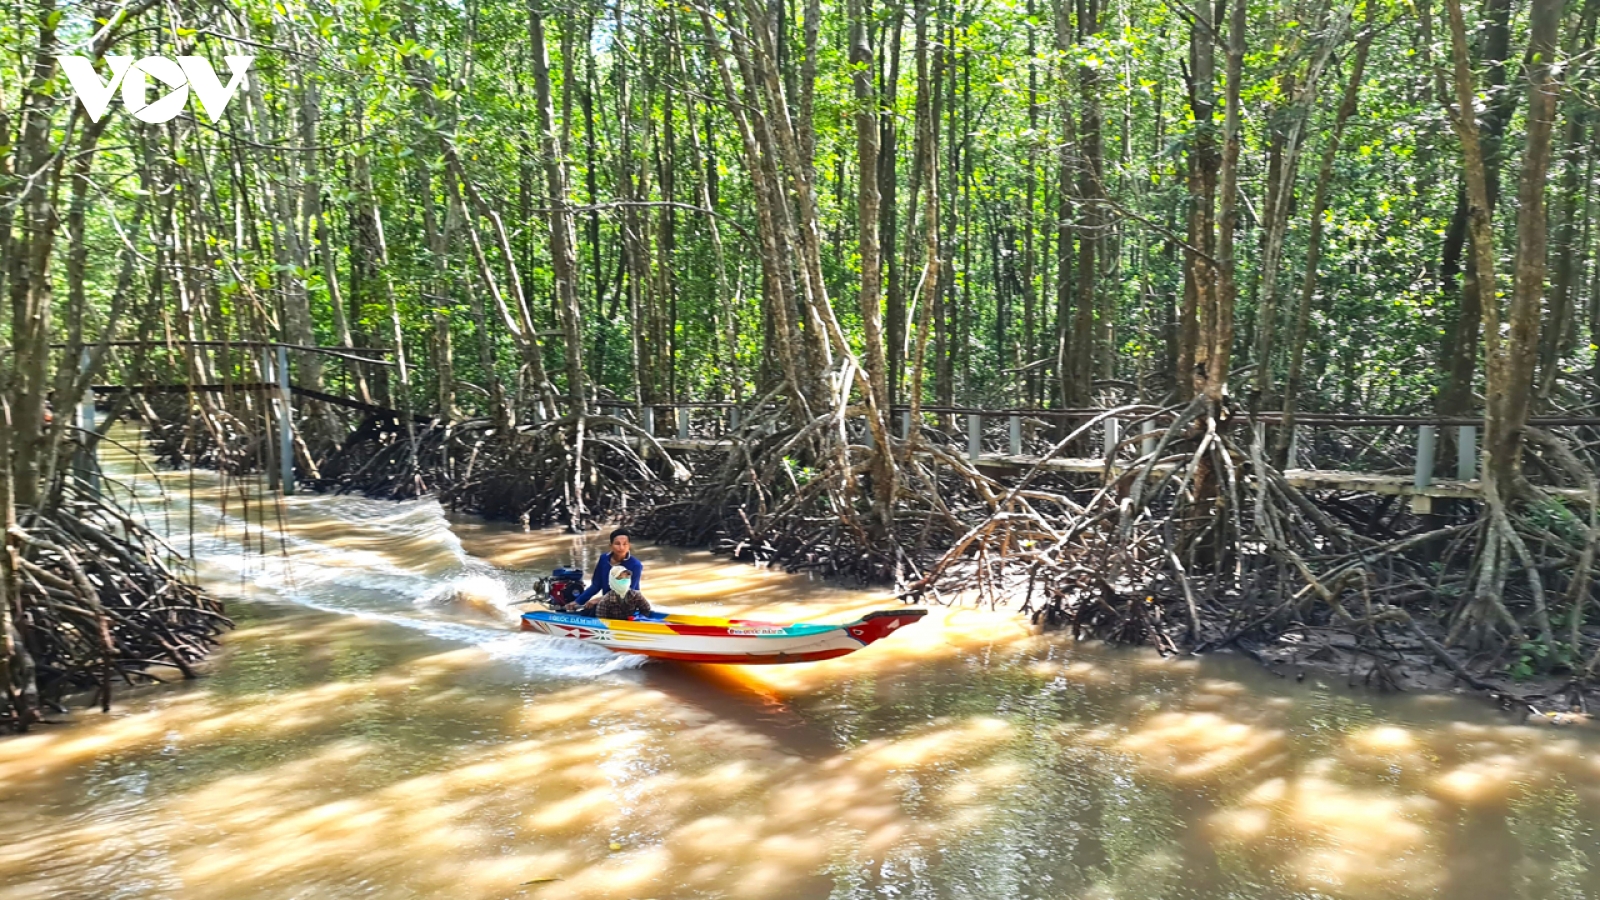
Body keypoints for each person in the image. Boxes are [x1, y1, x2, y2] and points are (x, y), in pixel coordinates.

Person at [564, 529, 643, 612]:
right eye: (617, 544)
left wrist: (598, 600)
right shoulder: (604, 559)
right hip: (607, 603)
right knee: (587, 609)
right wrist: (578, 601)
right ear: (610, 545)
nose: (621, 547)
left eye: (625, 544)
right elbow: (596, 585)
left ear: (629, 545)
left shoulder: (635, 565)